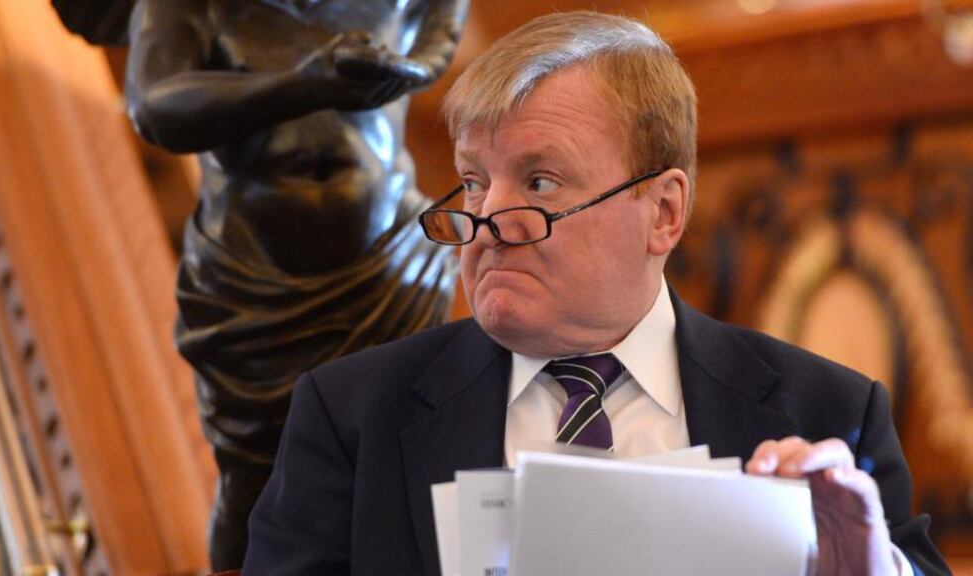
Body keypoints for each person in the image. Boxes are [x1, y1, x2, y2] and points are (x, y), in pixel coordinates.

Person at [243, 11, 950, 576]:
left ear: (664, 213)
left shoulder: (826, 411)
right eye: (474, 181)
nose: (486, 222)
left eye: (540, 182)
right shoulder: (353, 417)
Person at [124, 0, 465, 569]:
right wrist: (302, 85)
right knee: (256, 476)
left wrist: (400, 69)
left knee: (396, 464)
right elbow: (156, 107)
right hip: (256, 276)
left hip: (386, 264)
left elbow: (433, 48)